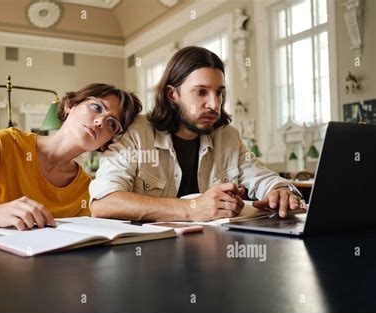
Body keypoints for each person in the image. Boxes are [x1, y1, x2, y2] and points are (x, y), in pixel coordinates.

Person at [89, 46, 303, 222]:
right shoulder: (136, 133)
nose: (214, 104)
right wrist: (191, 209)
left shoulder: (228, 137)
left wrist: (281, 190)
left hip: (213, 257)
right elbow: (104, 203)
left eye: (219, 93)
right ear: (172, 95)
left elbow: (265, 179)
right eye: (201, 92)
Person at [0, 83, 142, 231]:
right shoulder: (3, 143)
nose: (100, 122)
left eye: (112, 123)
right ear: (70, 105)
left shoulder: (87, 188)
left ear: (107, 143)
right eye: (96, 107)